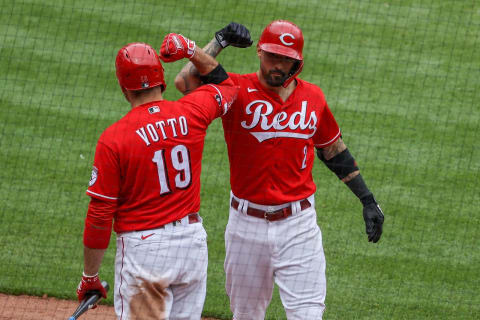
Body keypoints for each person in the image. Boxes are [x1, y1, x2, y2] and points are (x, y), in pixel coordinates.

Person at [175, 20, 385, 319]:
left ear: (296, 62)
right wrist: (219, 41)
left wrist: (367, 199)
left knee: (309, 314)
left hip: (298, 227)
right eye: (272, 56)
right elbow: (185, 82)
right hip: (245, 227)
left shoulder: (313, 97)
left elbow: (332, 149)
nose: (277, 65)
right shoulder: (234, 89)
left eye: (285, 59)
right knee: (246, 314)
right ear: (259, 52)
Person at [75, 33, 238, 320]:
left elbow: (100, 214)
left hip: (145, 254)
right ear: (161, 77)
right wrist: (191, 50)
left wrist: (90, 276)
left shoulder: (114, 139)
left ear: (124, 87)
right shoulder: (193, 111)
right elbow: (227, 86)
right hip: (191, 245)